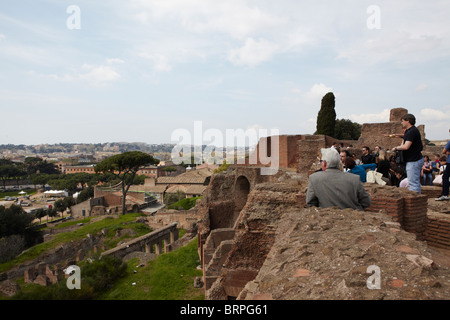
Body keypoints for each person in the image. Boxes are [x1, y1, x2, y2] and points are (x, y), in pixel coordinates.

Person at [306, 148, 371, 211]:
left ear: (324, 163)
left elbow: (311, 203)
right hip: (353, 218)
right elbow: (366, 202)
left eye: (321, 161)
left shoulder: (314, 178)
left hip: (327, 217)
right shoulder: (355, 179)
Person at [391, 114, 424, 193]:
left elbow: (406, 146)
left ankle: (414, 201)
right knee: (415, 182)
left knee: (413, 183)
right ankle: (418, 200)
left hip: (413, 161)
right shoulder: (412, 131)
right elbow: (405, 137)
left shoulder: (411, 132)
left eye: (402, 121)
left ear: (408, 121)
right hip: (415, 159)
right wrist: (396, 135)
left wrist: (396, 148)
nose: (401, 123)